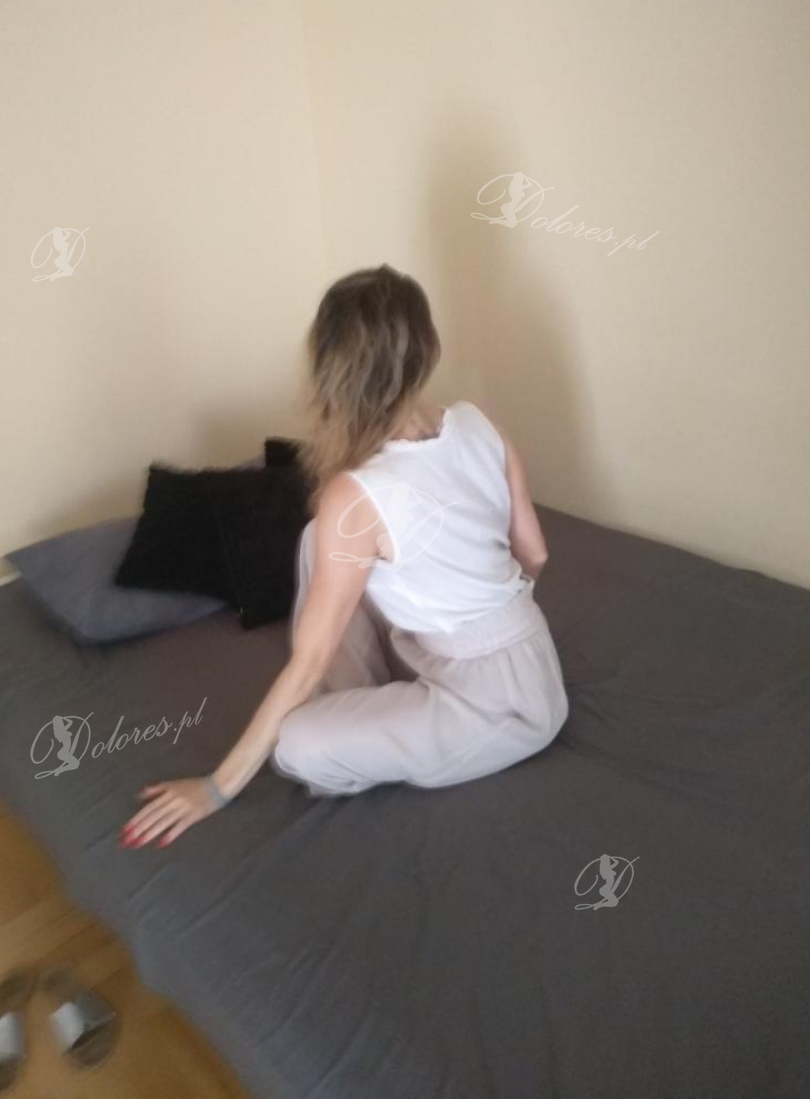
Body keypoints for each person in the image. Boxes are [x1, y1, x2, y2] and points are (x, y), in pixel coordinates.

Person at [120, 264, 569, 849]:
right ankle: (370, 693)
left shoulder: (354, 495)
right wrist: (481, 613)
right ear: (428, 350)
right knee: (319, 540)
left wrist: (217, 788)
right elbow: (534, 553)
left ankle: (369, 712)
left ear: (329, 370)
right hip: (531, 656)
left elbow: (307, 664)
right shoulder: (477, 422)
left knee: (298, 745)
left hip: (501, 712)